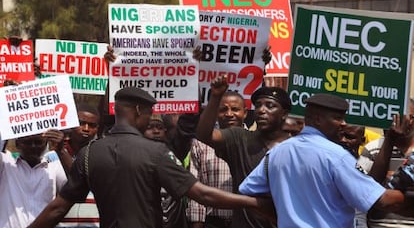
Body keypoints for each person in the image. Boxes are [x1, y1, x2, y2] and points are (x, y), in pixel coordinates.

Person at [28, 87, 270, 228]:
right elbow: (202, 194)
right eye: (149, 112)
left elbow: (58, 208)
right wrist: (252, 203)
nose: (150, 118)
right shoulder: (155, 152)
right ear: (137, 111)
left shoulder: (90, 153)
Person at [239, 93, 407, 227]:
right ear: (318, 119)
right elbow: (382, 201)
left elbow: (247, 191)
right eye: (337, 118)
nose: (343, 123)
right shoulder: (336, 157)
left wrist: (282, 215)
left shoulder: (278, 152)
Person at [196, 75, 291, 228]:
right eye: (258, 105)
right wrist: (215, 96)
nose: (261, 110)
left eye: (270, 106)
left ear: (284, 114)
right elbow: (204, 135)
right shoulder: (240, 138)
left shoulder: (296, 147)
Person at [188, 90, 247, 228]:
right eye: (223, 109)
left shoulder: (254, 142)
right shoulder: (200, 144)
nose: (229, 114)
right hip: (213, 222)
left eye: (235, 109)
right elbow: (195, 186)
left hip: (246, 221)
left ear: (245, 113)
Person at [0, 130, 67, 228]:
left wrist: (60, 150)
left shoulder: (54, 166)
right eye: (27, 142)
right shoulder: (5, 164)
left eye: (38, 142)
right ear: (17, 144)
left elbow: (76, 186)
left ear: (46, 144)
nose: (33, 146)